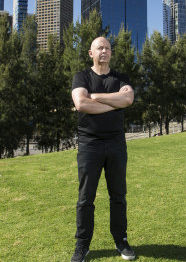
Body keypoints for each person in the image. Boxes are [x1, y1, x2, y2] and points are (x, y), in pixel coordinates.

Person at [70, 37, 136, 262]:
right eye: (100, 48)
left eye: (107, 48)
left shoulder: (120, 78)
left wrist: (96, 97)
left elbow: (127, 100)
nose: (104, 51)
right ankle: (82, 244)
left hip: (116, 143)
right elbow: (81, 104)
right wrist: (112, 103)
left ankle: (121, 240)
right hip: (90, 144)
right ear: (91, 53)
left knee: (118, 195)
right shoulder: (81, 77)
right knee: (85, 197)